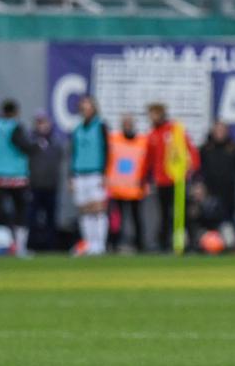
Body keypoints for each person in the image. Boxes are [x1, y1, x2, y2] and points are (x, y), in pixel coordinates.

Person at [144, 103, 199, 251]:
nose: (152, 117)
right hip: (160, 181)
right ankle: (164, 244)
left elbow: (190, 148)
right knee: (164, 214)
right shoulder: (151, 135)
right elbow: (148, 160)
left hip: (177, 179)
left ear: (161, 114)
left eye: (155, 114)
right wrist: (145, 178)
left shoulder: (175, 129)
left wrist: (193, 166)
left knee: (183, 213)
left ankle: (191, 243)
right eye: (150, 114)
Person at [0, 100, 34, 256]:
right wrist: (36, 147)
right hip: (16, 176)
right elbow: (24, 146)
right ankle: (19, 248)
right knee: (21, 211)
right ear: (15, 111)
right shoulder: (15, 127)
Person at [70, 96, 109, 255]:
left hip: (96, 172)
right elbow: (74, 152)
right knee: (84, 209)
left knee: (98, 208)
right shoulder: (77, 128)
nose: (84, 110)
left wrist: (105, 173)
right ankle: (89, 243)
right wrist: (71, 175)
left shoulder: (100, 126)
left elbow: (107, 150)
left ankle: (99, 245)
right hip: (80, 172)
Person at [106, 115, 148, 252]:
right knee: (116, 220)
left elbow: (147, 163)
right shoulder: (113, 139)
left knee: (137, 218)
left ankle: (140, 245)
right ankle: (114, 244)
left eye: (130, 124)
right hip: (117, 187)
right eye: (126, 124)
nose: (128, 127)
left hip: (135, 188)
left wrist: (146, 182)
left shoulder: (142, 141)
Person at [200, 120, 235, 245]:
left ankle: (231, 243)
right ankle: (208, 243)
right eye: (218, 130)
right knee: (209, 216)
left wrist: (230, 177)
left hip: (229, 189)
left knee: (229, 217)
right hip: (210, 189)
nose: (220, 133)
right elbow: (200, 168)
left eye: (222, 130)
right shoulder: (206, 148)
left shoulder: (233, 148)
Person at [27, 112, 64, 251]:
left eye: (44, 122)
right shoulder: (30, 141)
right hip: (35, 185)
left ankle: (50, 247)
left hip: (51, 186)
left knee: (51, 219)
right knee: (32, 219)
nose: (42, 126)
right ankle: (31, 246)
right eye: (39, 123)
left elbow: (59, 160)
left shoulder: (56, 142)